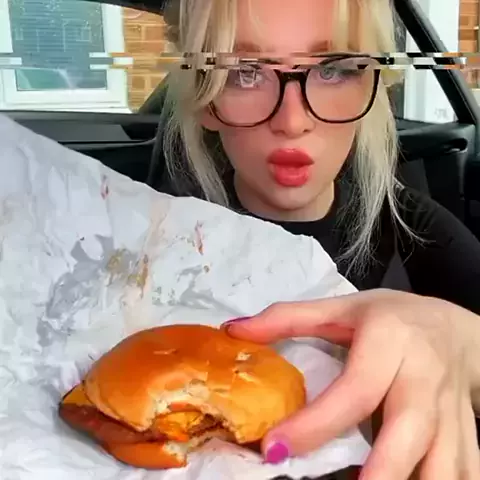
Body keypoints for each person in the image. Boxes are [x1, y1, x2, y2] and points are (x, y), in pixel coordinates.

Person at [152, 0, 480, 477]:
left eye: (334, 70)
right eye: (245, 72)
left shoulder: (412, 226)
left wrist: (461, 340)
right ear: (205, 99)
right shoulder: (153, 248)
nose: (292, 121)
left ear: (373, 85)